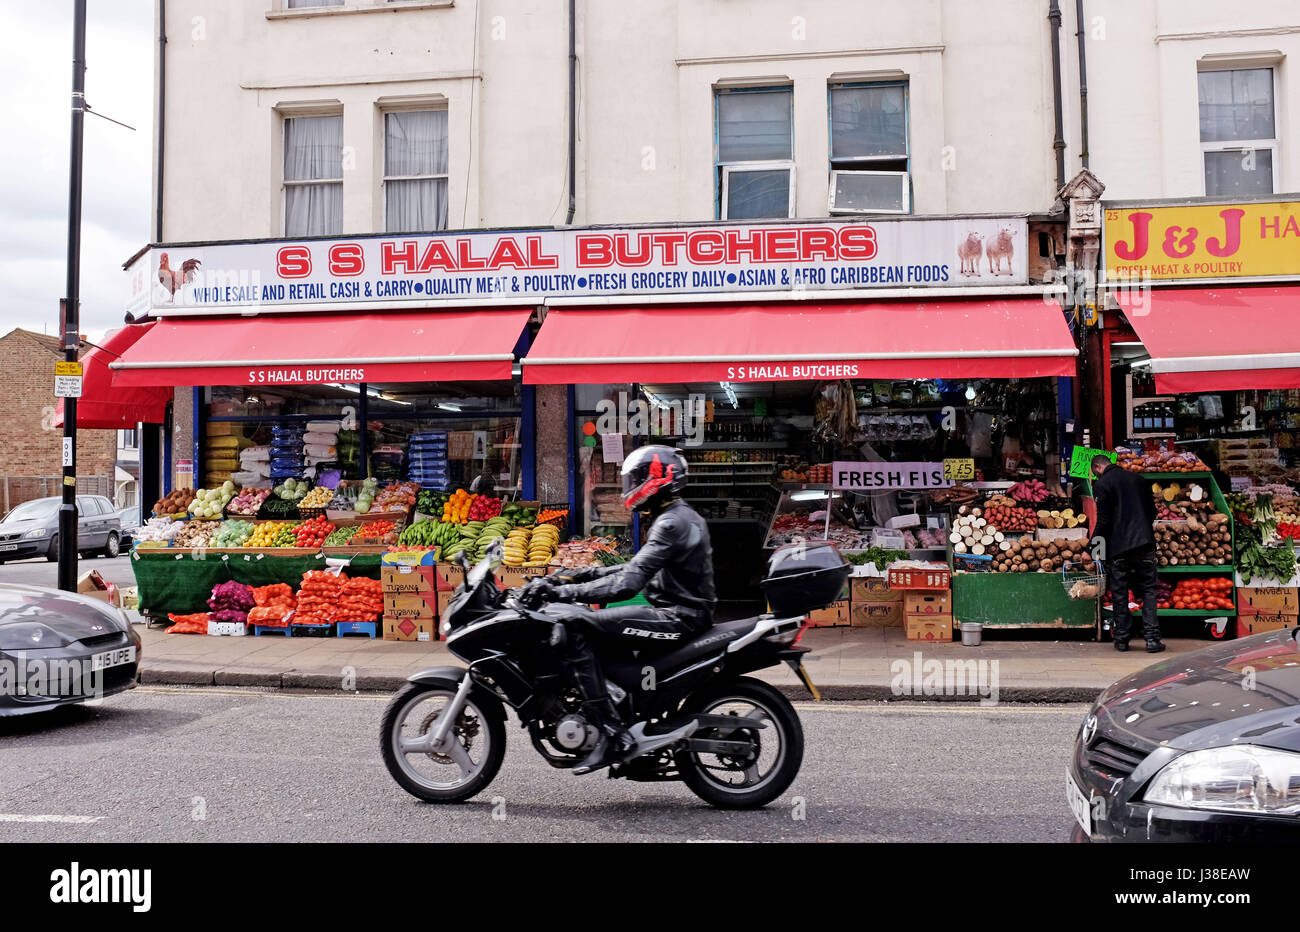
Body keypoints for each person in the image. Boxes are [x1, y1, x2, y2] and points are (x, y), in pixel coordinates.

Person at [524, 444, 716, 774]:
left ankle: (612, 735)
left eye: (636, 480)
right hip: (679, 612)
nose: (630, 489)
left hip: (677, 617)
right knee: (588, 624)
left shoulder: (671, 524)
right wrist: (573, 575)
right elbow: (632, 568)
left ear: (657, 480)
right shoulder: (676, 516)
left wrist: (568, 593)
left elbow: (626, 585)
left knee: (575, 625)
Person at [1090, 453, 1164, 653]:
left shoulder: (1102, 484)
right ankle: (1152, 640)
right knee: (1149, 591)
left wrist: (1094, 548)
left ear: (1097, 468)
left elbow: (1103, 522)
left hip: (1119, 547)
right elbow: (1152, 512)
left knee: (1120, 593)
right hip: (1144, 544)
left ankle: (1121, 640)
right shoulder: (1138, 480)